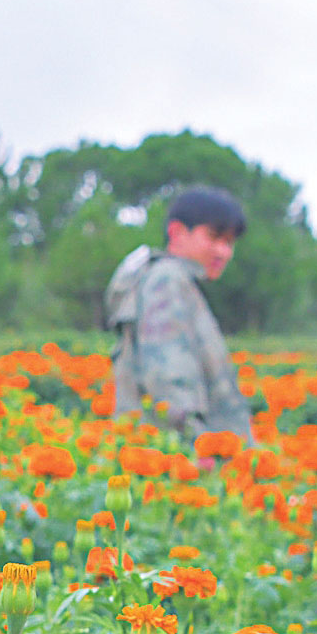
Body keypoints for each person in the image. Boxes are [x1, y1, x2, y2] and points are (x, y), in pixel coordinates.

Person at [103, 186, 253, 444]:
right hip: (179, 456)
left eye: (229, 242)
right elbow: (171, 382)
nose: (223, 252)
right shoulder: (167, 280)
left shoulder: (175, 280)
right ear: (177, 232)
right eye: (214, 237)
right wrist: (204, 452)